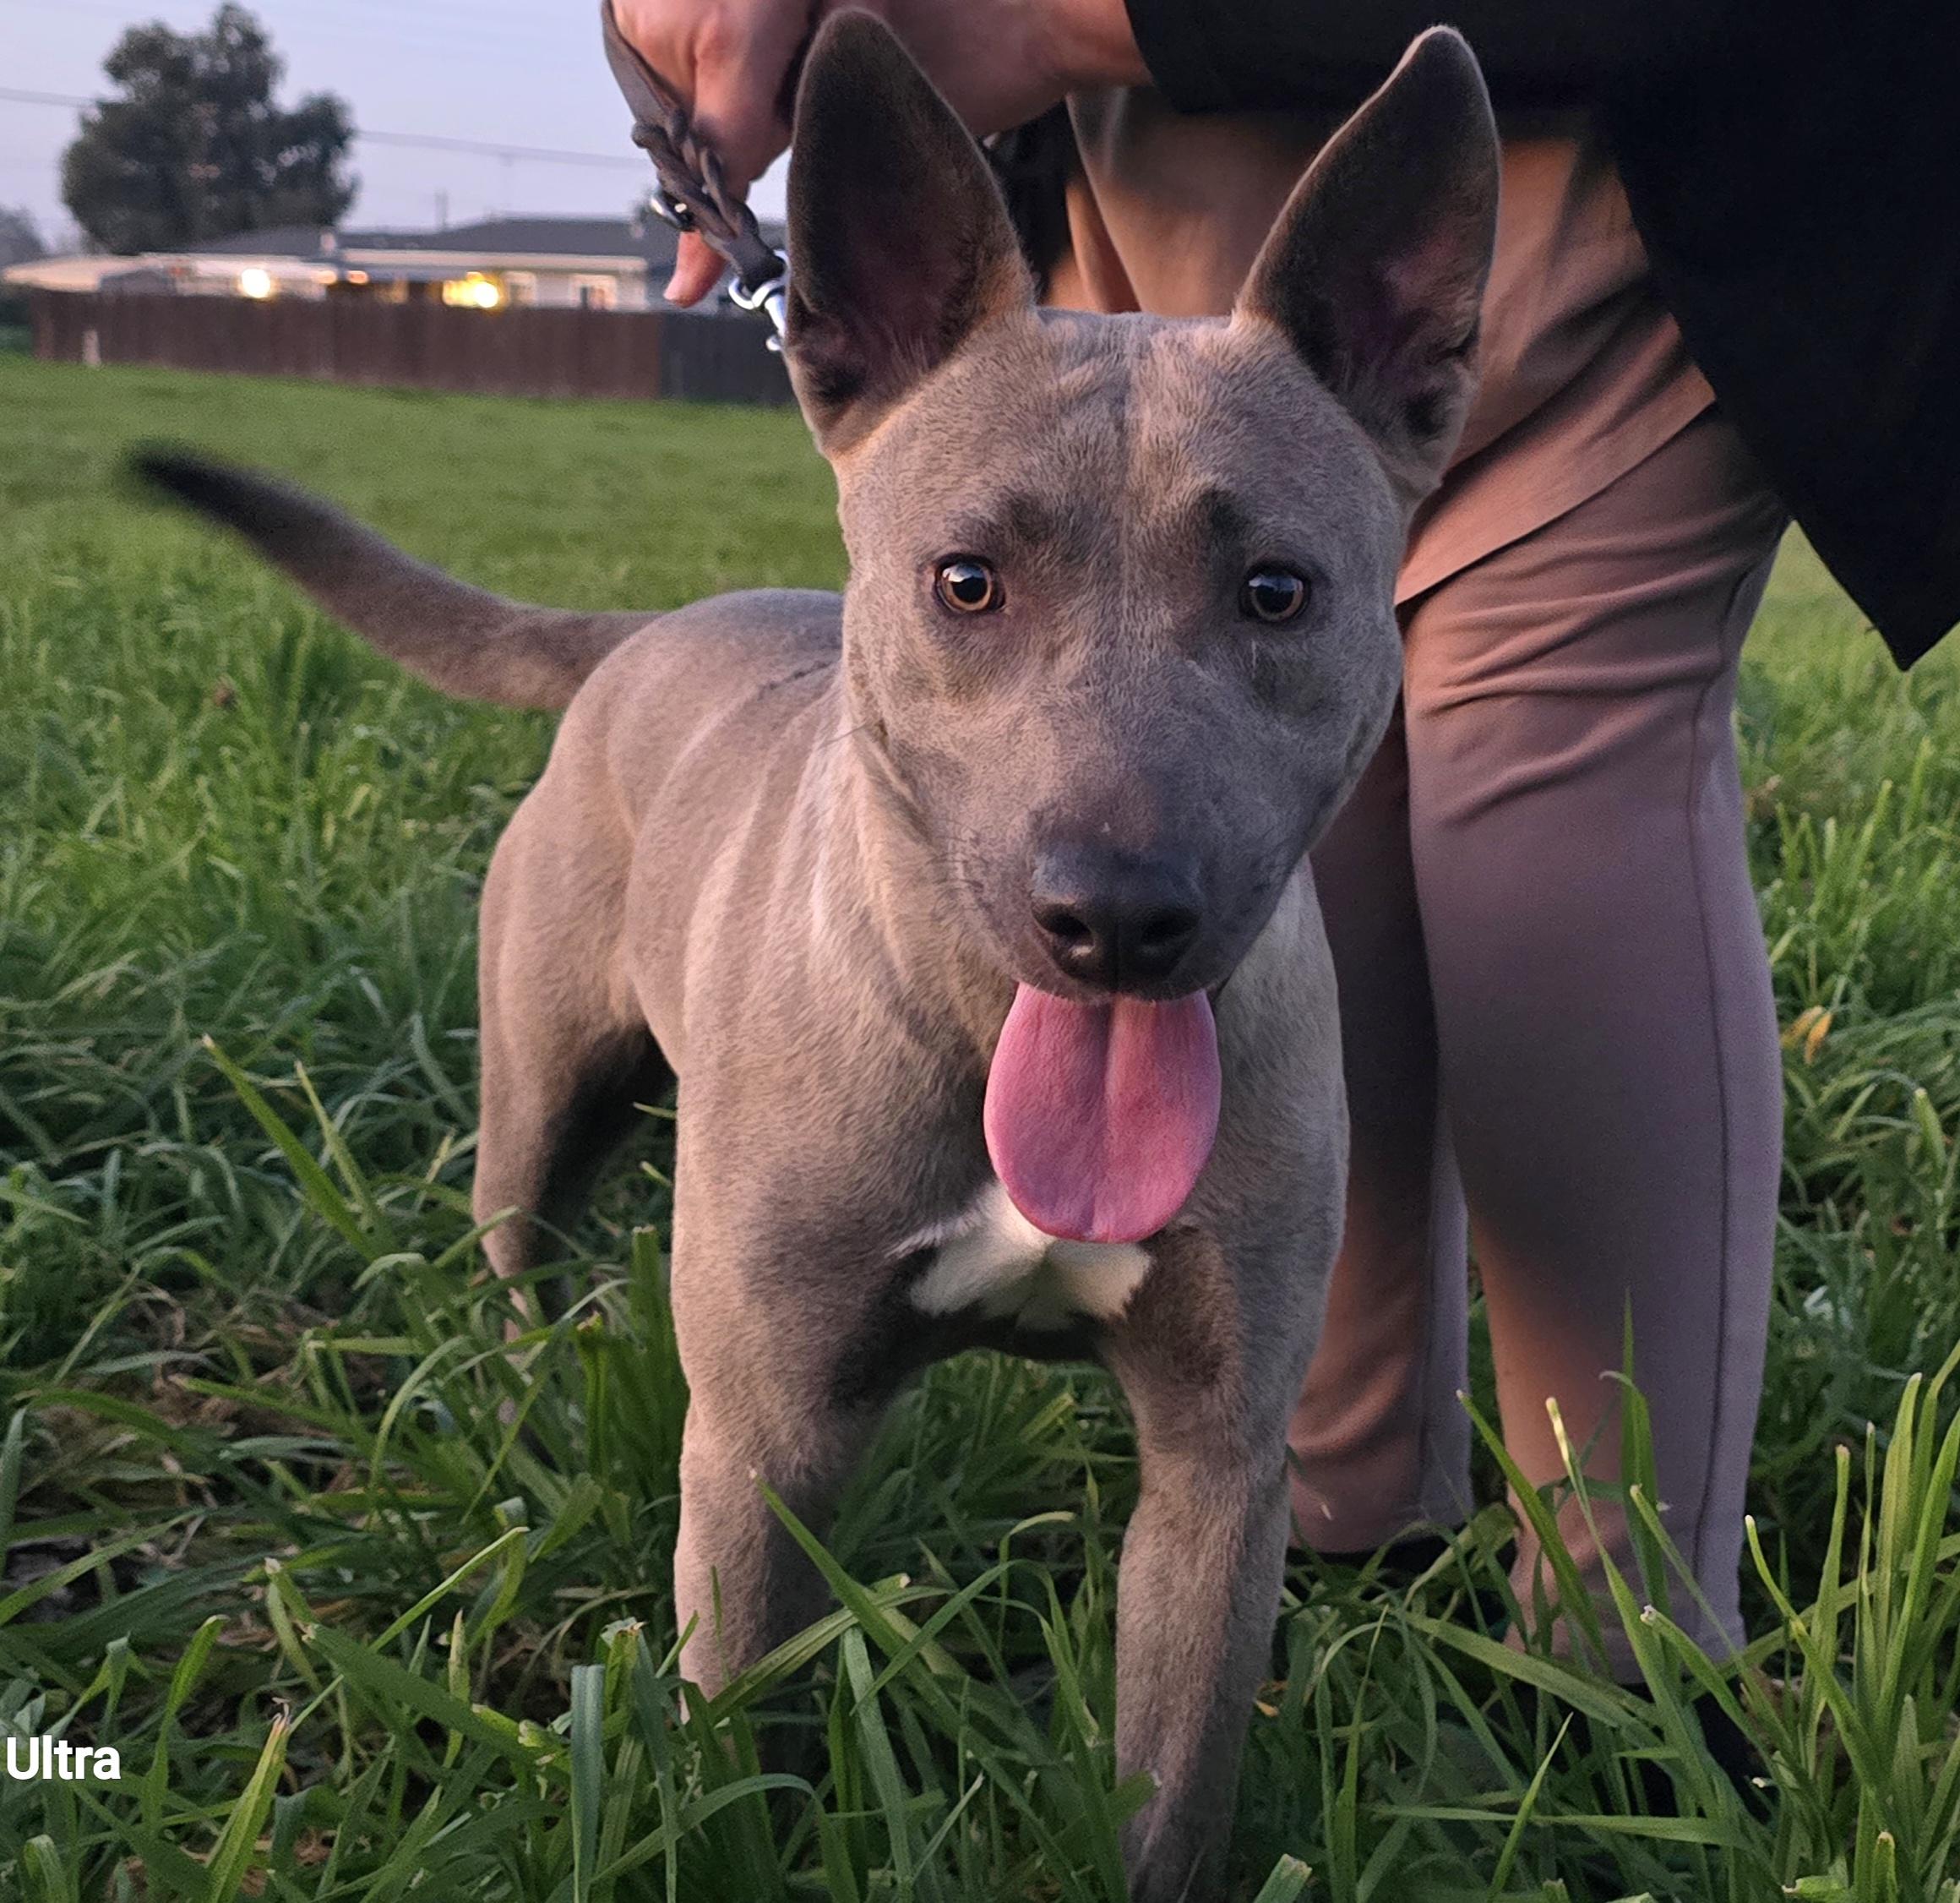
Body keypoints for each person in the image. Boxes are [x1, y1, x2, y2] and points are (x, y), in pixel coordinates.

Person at [610, 0, 1960, 1671]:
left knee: (1530, 748)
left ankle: (1607, 1642)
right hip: (1172, 164)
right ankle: (1368, 1507)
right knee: (1248, 753)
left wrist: (1036, 15)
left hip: (1626, 131)